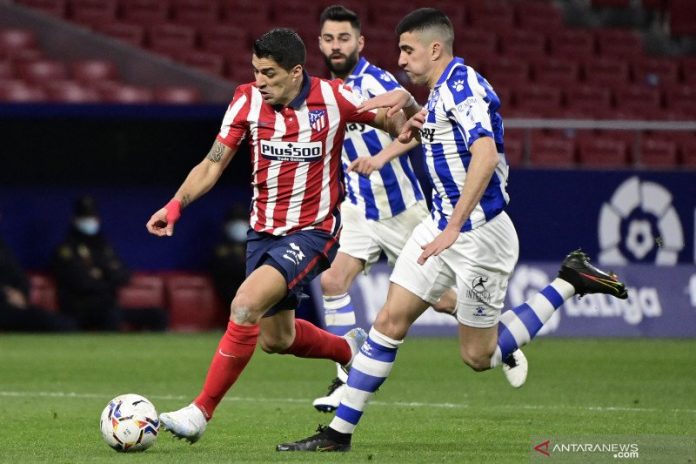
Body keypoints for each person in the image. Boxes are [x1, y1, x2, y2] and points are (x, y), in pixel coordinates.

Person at [277, 8, 628, 452]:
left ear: (435, 49)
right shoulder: (440, 92)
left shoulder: (466, 87)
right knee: (388, 321)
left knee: (478, 357)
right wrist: (407, 106)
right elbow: (437, 132)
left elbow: (484, 156)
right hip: (436, 227)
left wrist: (454, 227)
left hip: (480, 237)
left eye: (408, 49)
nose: (401, 59)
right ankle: (336, 435)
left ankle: (569, 281)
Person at [146, 28, 410, 444]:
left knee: (245, 304)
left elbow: (392, 124)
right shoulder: (245, 100)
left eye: (268, 73)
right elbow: (213, 163)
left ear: (295, 72)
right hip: (263, 231)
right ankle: (350, 349)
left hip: (313, 230)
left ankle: (200, 412)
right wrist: (175, 205)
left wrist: (403, 116)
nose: (260, 81)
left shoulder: (334, 98)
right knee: (277, 339)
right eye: (255, 71)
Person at [311, 5, 525, 414]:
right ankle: (345, 379)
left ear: (359, 41)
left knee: (447, 309)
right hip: (360, 207)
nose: (335, 46)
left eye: (343, 38)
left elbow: (430, 135)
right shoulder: (336, 86)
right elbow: (424, 127)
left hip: (402, 208)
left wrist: (383, 156)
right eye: (328, 38)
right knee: (335, 283)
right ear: (319, 42)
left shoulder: (384, 81)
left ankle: (500, 333)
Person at [52, 195, 168, 332]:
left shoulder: (104, 247)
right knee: (112, 316)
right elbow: (82, 282)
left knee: (157, 315)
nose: (90, 222)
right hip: (80, 310)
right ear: (75, 220)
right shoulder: (66, 249)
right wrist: (108, 276)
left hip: (108, 306)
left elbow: (124, 274)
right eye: (85, 218)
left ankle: (150, 351)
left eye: (92, 217)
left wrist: (100, 274)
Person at [0, 232, 77, 333]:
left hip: (13, 306)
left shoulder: (2, 247)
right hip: (4, 304)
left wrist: (22, 294)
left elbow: (19, 276)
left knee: (64, 323)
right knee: (51, 323)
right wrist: (5, 294)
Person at [209, 204, 249, 306]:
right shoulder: (221, 250)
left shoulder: (255, 248)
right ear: (226, 225)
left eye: (242, 221)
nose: (239, 226)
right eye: (235, 221)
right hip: (229, 300)